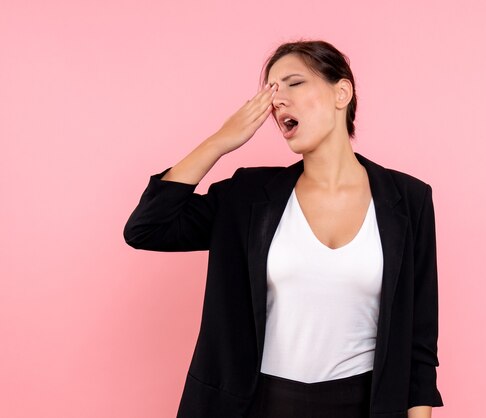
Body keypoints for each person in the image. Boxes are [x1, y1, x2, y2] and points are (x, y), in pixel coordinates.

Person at [123, 39, 443, 418]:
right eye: (271, 91)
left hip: (368, 405)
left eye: (293, 83)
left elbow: (419, 343)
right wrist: (221, 141)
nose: (277, 101)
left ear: (342, 92)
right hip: (262, 405)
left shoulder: (408, 200)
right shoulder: (248, 198)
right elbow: (147, 228)